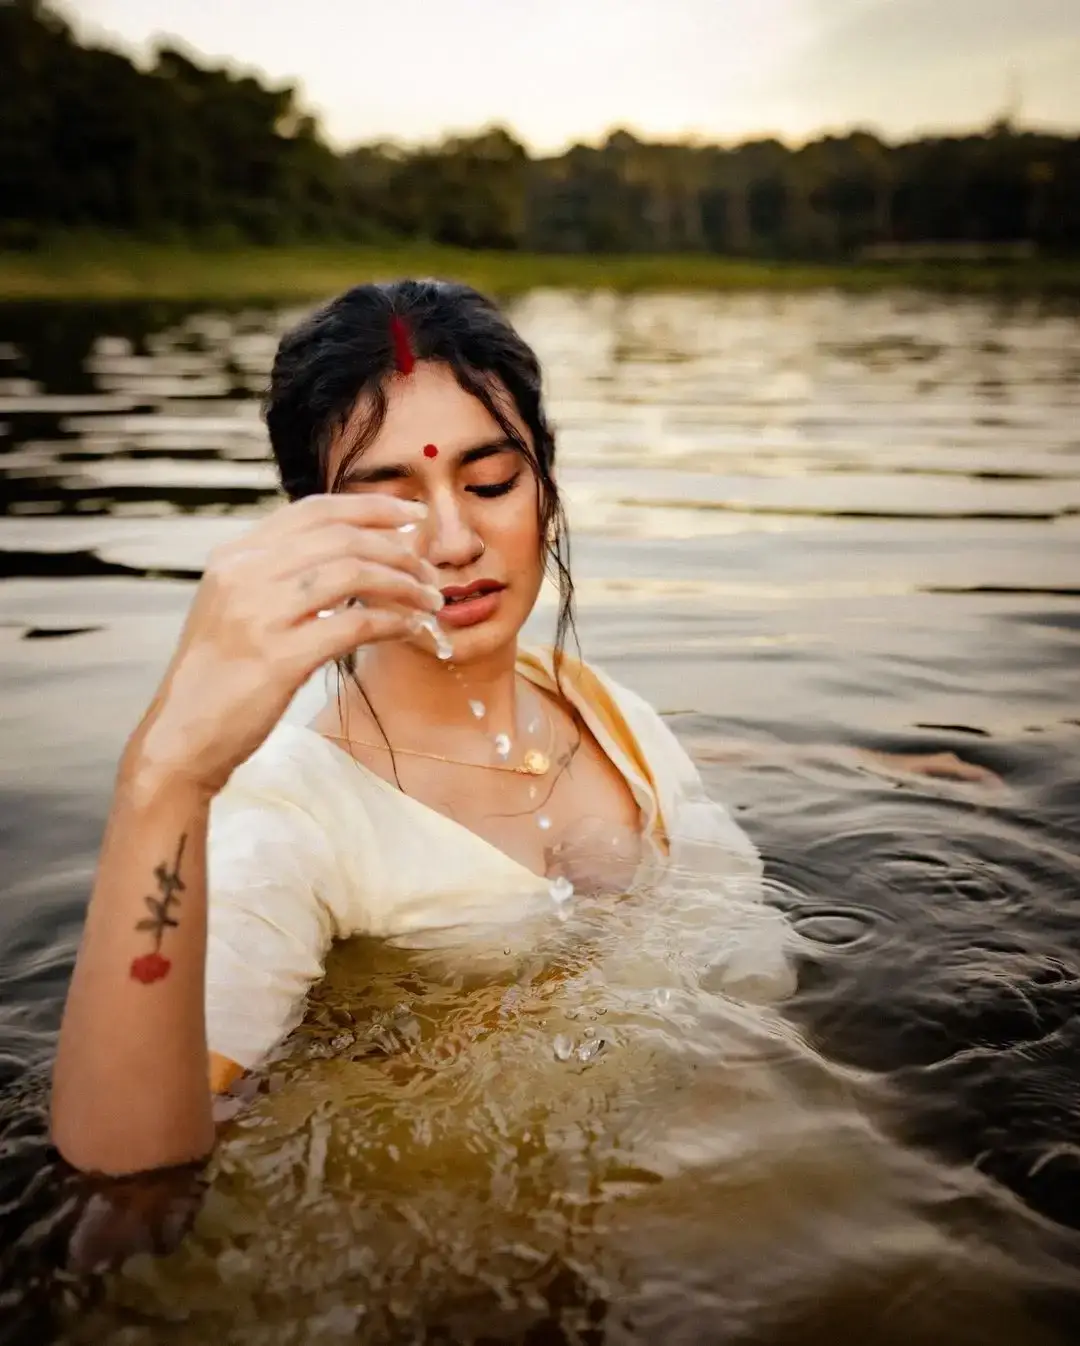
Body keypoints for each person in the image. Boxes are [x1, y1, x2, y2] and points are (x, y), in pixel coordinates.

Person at [49, 279, 998, 1180]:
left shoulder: (590, 703)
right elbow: (125, 1166)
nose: (454, 539)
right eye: (391, 502)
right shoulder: (287, 819)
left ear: (545, 486)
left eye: (493, 481)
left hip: (778, 1133)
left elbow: (678, 756)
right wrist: (166, 774)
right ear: (313, 526)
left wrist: (857, 762)